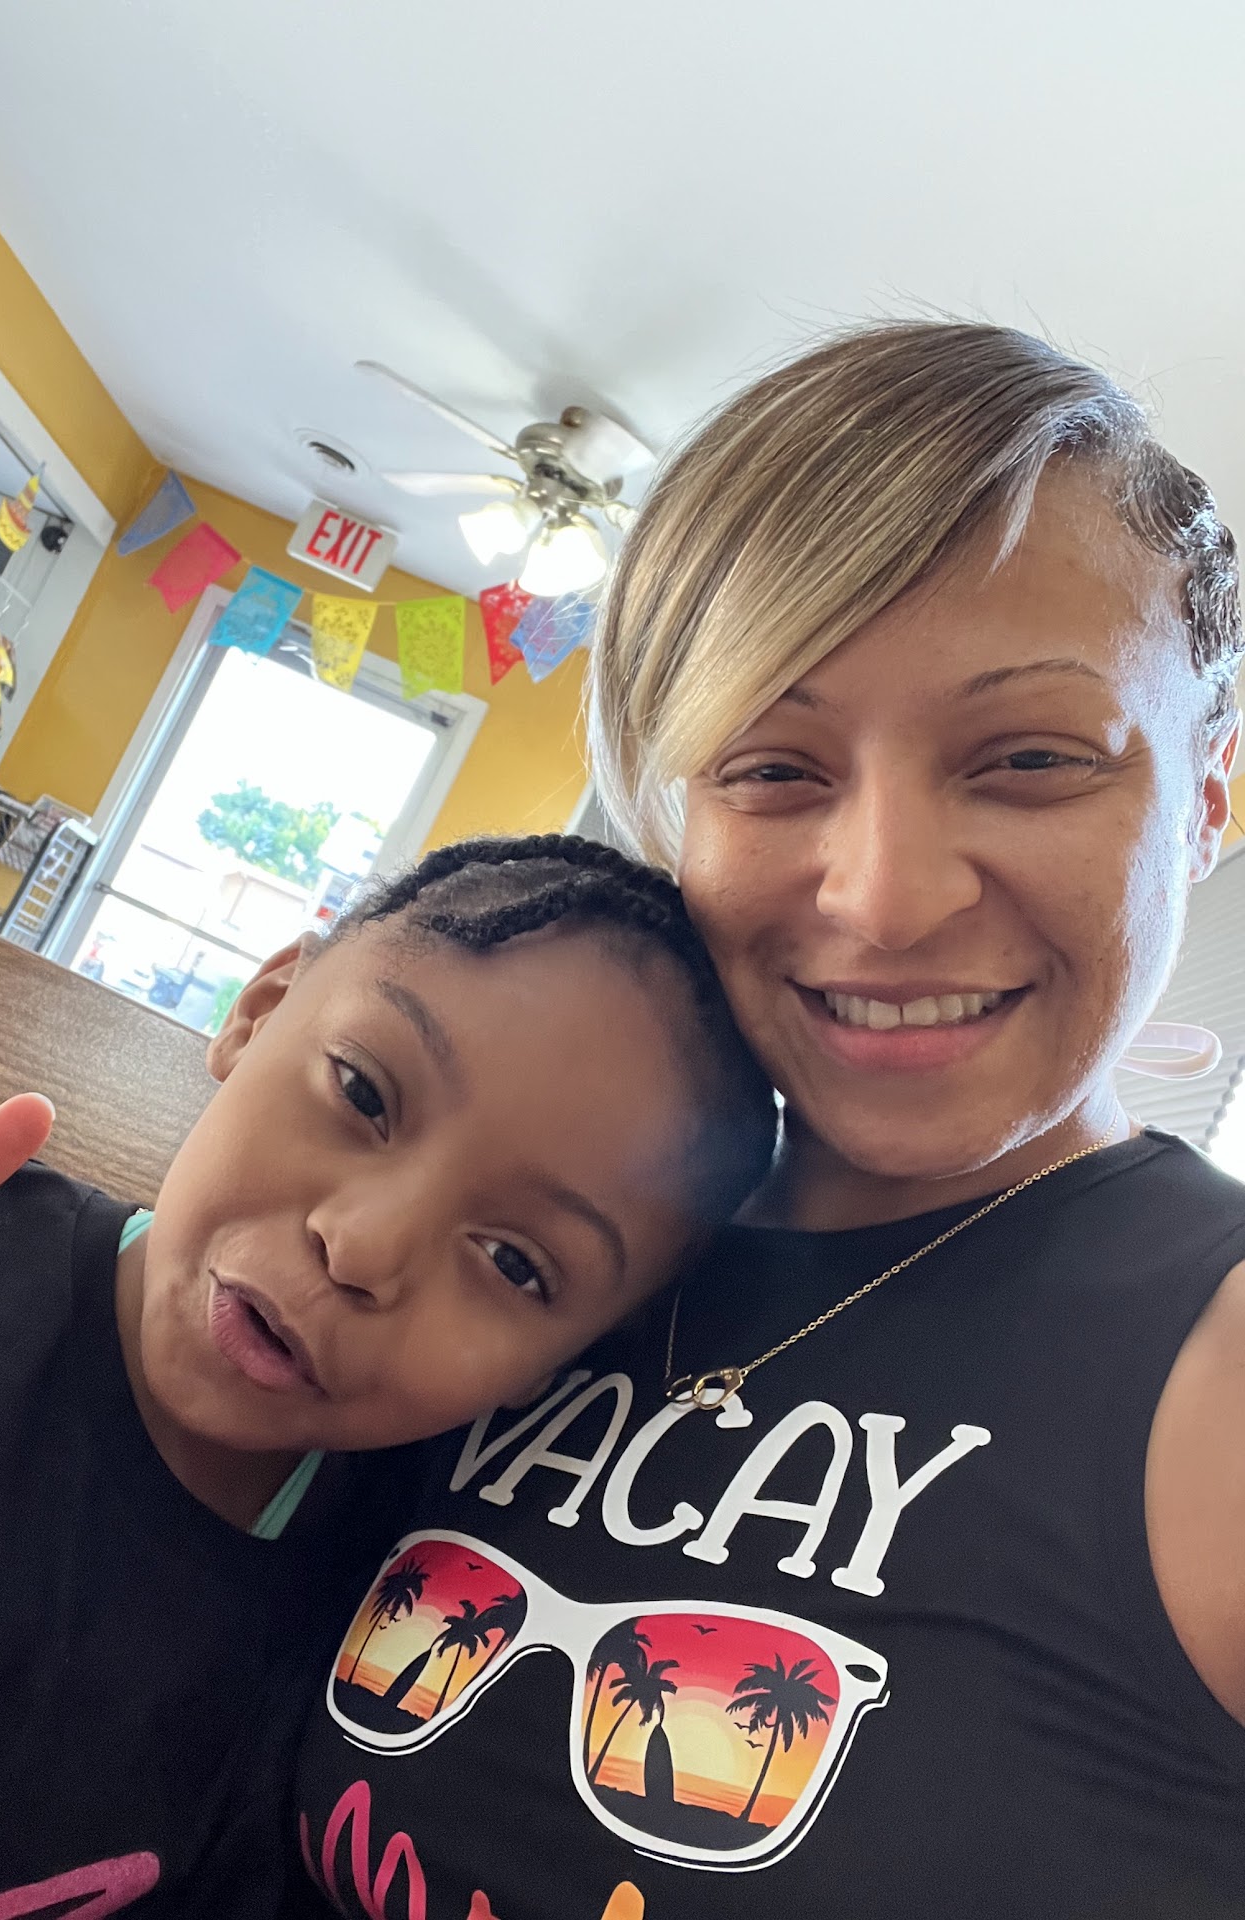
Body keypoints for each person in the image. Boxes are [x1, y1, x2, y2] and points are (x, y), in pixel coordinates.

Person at [292, 323, 1245, 1920]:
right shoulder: (545, 1231)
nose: (884, 899)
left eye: (1029, 759)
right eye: (774, 769)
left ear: (1207, 795)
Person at [0, 836, 773, 1917]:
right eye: (363, 1091)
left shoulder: (381, 1665)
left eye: (515, 1263)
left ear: (559, 1365)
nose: (360, 1247)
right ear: (262, 1009)